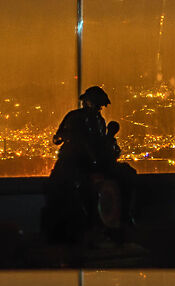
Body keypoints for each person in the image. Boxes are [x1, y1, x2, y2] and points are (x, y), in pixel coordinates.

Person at [42, 86, 139, 248]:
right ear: (86, 102)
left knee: (126, 175)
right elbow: (58, 138)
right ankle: (91, 226)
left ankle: (122, 218)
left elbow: (100, 145)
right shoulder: (75, 118)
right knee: (83, 188)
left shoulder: (99, 121)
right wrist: (70, 138)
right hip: (74, 163)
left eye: (100, 105)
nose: (98, 108)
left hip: (95, 164)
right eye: (96, 104)